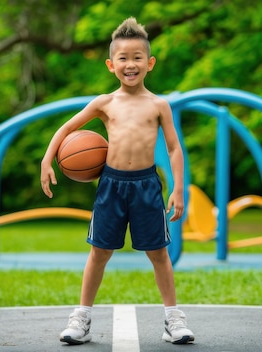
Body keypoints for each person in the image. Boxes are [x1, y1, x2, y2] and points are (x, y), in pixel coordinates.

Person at [40, 16, 194, 345]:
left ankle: (173, 319)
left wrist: (179, 190)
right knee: (99, 252)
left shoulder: (159, 105)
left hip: (146, 186)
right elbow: (66, 129)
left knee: (159, 254)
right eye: (123, 58)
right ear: (111, 65)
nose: (130, 64)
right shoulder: (104, 103)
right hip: (111, 186)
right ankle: (81, 317)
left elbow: (174, 148)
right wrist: (46, 160)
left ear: (149, 63)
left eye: (137, 57)